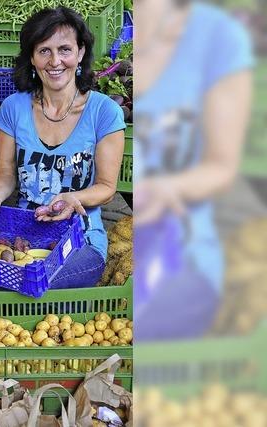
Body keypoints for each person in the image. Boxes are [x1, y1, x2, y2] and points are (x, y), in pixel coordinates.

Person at [0, 7, 125, 289]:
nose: (55, 61)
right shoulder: (14, 107)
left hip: (81, 239)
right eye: (44, 51)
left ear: (80, 53)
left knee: (36, 280)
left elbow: (107, 188)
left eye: (65, 49)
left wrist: (74, 198)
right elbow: (6, 172)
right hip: (25, 234)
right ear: (32, 58)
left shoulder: (103, 112)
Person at [133, 0, 253, 340]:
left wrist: (167, 189)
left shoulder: (218, 37)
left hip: (182, 250)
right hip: (126, 241)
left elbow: (222, 166)